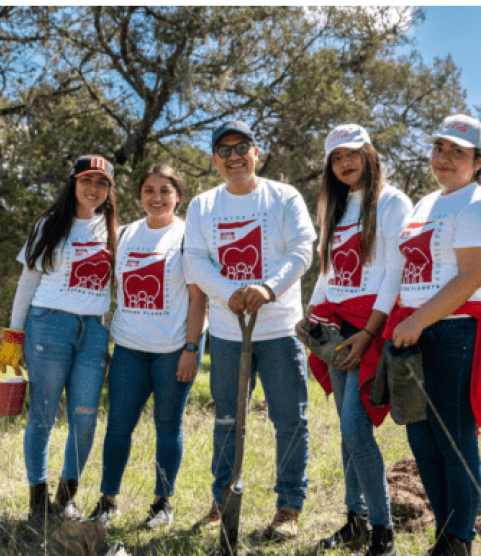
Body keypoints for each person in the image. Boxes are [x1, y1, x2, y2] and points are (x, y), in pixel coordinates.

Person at [183, 120, 317, 542]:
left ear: (256, 152)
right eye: (223, 151)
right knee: (227, 420)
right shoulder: (203, 206)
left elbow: (301, 250)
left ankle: (288, 508)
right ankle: (222, 502)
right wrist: (227, 292)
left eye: (242, 147)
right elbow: (195, 261)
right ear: (214, 161)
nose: (233, 156)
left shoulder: (284, 197)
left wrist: (267, 287)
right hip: (227, 333)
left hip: (278, 331)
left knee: (289, 420)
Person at [383, 114, 481, 556]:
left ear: (478, 161)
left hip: (454, 331)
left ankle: (459, 541)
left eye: (459, 151)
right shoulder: (425, 204)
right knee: (422, 439)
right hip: (414, 334)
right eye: (440, 148)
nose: (446, 158)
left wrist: (418, 321)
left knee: (454, 437)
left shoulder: (478, 205)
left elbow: (470, 278)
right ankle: (444, 534)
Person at [296, 125, 412, 556]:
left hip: (371, 326)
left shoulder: (393, 201)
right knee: (347, 432)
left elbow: (395, 271)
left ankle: (383, 532)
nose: (345, 163)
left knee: (355, 427)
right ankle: (356, 521)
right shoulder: (335, 205)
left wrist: (370, 333)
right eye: (336, 157)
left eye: (352, 154)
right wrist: (310, 316)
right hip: (337, 327)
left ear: (369, 154)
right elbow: (328, 269)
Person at [0, 155, 119, 527]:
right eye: (86, 180)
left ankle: (66, 499)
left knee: (85, 419)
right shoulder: (49, 225)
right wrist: (12, 337)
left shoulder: (115, 229)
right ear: (73, 183)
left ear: (110, 189)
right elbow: (27, 284)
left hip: (93, 332)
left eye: (101, 182)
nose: (93, 188)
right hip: (48, 326)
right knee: (42, 416)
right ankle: (37, 501)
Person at [85, 164, 209, 530]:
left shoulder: (189, 237)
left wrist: (191, 347)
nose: (156, 198)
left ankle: (161, 504)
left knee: (168, 426)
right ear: (139, 196)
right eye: (149, 191)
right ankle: (107, 501)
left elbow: (198, 299)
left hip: (175, 349)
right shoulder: (123, 235)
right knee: (118, 426)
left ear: (178, 196)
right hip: (129, 347)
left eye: (165, 191)